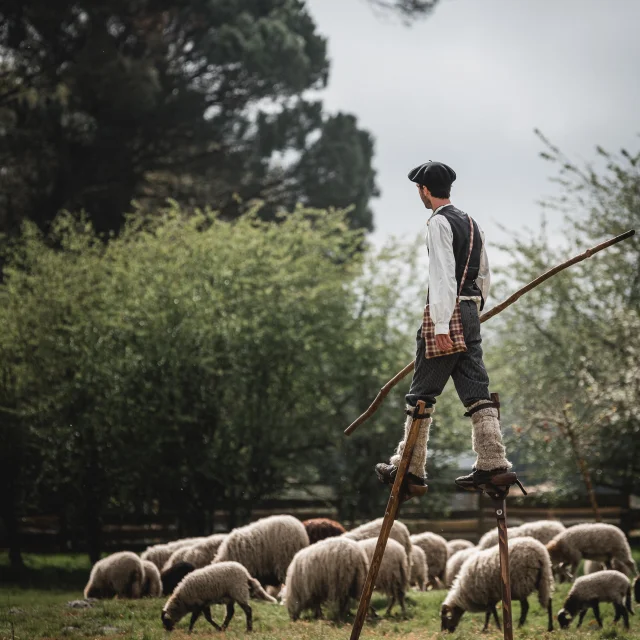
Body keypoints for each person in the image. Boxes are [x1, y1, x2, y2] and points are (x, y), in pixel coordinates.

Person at [375, 161, 512, 499]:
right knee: (477, 389)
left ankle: (409, 469)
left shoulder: (437, 223)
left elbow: (442, 275)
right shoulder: (470, 221)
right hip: (469, 310)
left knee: (421, 393)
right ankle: (494, 464)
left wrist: (439, 325)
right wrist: (473, 311)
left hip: (445, 312)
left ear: (424, 190)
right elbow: (484, 275)